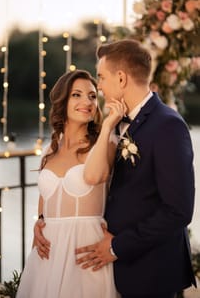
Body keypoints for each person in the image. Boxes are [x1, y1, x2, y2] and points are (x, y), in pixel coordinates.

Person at [34, 39, 197, 298]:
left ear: (121, 79)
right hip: (109, 267)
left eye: (101, 78)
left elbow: (178, 210)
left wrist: (117, 246)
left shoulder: (167, 125)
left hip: (149, 270)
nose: (99, 87)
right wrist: (44, 221)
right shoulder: (116, 125)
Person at [16, 69, 119, 298]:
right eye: (77, 95)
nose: (87, 102)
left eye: (92, 96)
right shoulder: (49, 150)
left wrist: (108, 126)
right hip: (47, 255)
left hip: (86, 254)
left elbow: (97, 177)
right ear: (62, 101)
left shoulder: (106, 143)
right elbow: (44, 205)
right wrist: (40, 223)